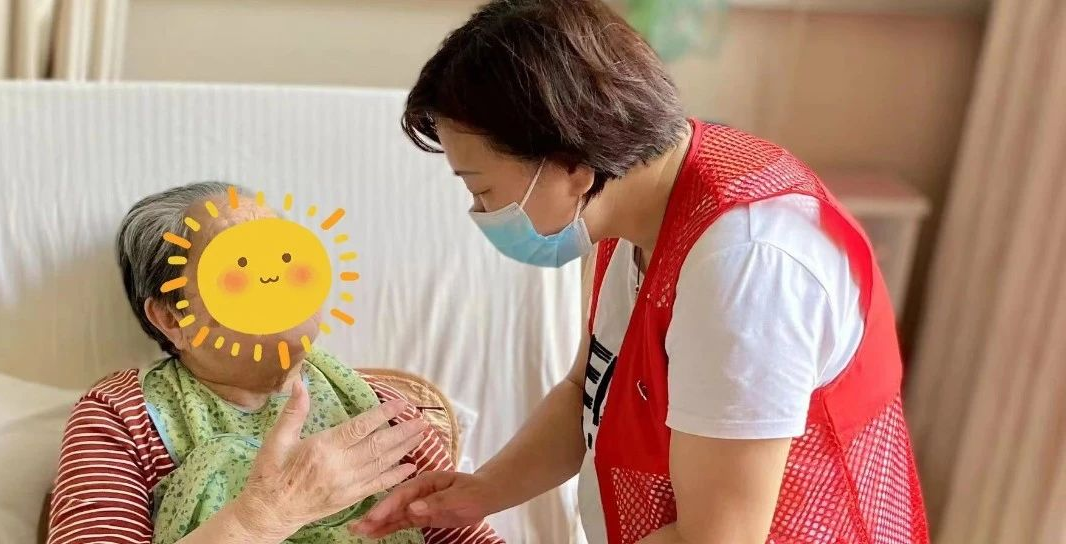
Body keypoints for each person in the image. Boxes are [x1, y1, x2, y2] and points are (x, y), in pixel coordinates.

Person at [350, 1, 929, 543]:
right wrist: (480, 494)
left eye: (483, 190)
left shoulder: (745, 267)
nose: (480, 213)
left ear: (569, 164)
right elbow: (585, 392)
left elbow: (715, 537)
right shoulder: (629, 211)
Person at [47, 182, 503, 544]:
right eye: (238, 268)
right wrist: (267, 514)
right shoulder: (120, 416)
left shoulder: (383, 412)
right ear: (172, 319)